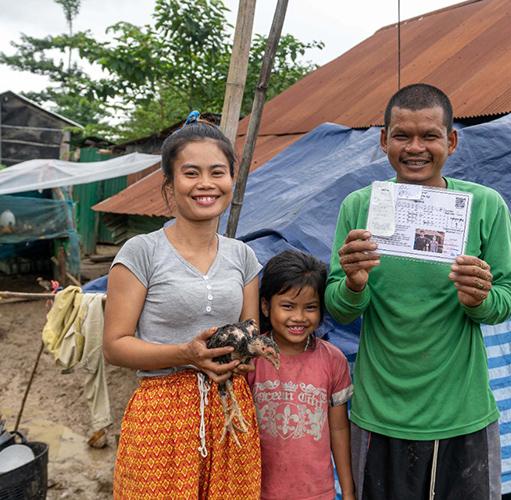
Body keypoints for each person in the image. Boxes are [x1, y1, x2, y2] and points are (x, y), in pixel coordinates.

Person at [325, 83, 511, 499]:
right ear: (383, 141)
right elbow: (337, 306)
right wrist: (355, 285)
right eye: (402, 136)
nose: (416, 148)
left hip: (462, 413)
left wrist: (479, 301)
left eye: (430, 136)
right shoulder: (359, 207)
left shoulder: (485, 206)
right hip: (379, 414)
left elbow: (507, 297)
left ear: (451, 141)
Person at [103, 115, 263, 499]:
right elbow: (114, 346)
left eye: (217, 172)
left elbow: (251, 330)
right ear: (170, 185)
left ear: (231, 181)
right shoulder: (141, 252)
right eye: (191, 173)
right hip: (162, 412)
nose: (206, 184)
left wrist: (244, 356)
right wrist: (185, 354)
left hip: (230, 410)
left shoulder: (243, 256)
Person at [248, 250, 355, 500]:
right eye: (287, 306)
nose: (298, 317)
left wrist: (348, 491)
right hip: (256, 491)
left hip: (316, 493)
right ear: (265, 306)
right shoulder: (251, 358)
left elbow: (338, 429)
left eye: (310, 308)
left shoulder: (333, 360)